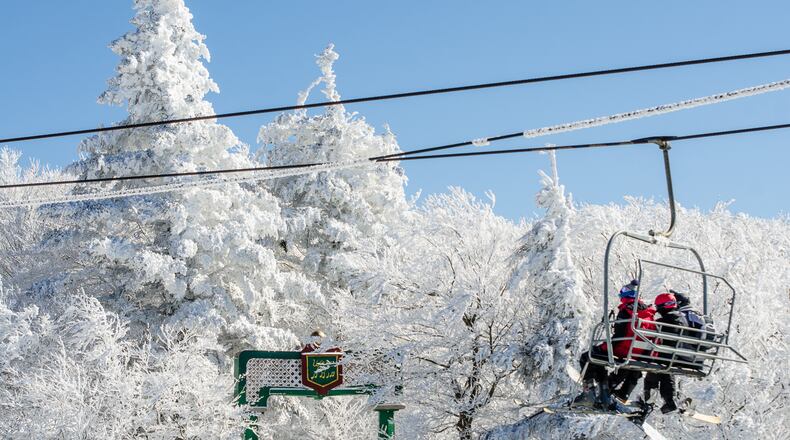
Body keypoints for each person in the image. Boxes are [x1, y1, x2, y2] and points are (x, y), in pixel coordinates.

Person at [575, 280, 655, 408]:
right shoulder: (649, 314)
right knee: (599, 356)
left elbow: (620, 336)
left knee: (589, 356)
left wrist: (604, 347)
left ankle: (590, 393)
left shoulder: (626, 312)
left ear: (625, 295)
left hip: (624, 350)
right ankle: (604, 393)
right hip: (638, 352)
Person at [643, 292, 688, 413]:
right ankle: (669, 400)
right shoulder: (682, 319)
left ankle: (648, 402)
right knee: (666, 372)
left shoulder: (663, 321)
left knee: (652, 375)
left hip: (662, 356)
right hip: (675, 356)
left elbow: (648, 333)